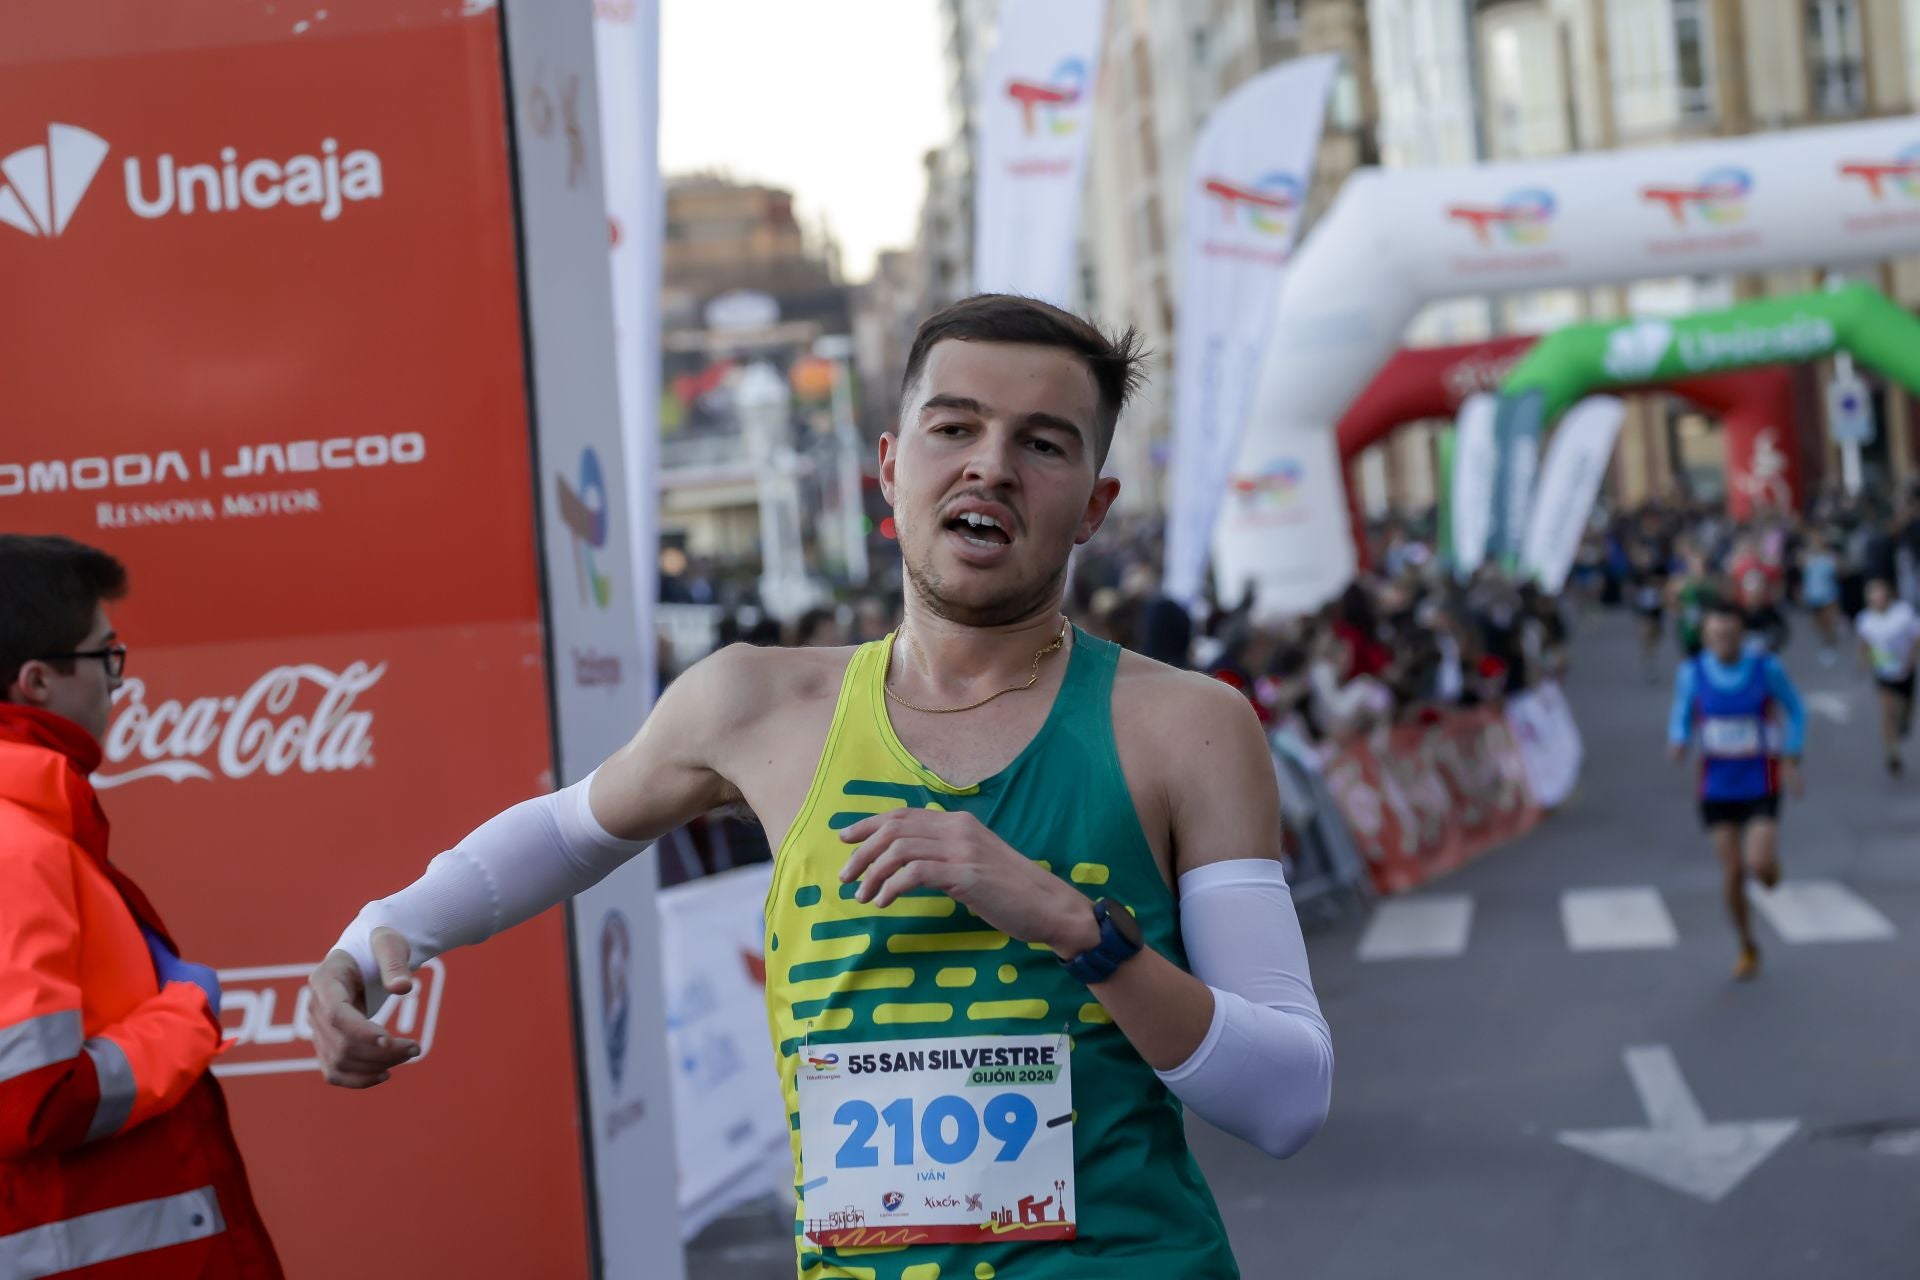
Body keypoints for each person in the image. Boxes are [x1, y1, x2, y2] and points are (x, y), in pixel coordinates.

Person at [308, 295, 1333, 1279]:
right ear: (890, 467)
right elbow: (574, 827)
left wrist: (1077, 926)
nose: (990, 464)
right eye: (954, 427)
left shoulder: (1185, 725)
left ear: (1095, 507)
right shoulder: (755, 705)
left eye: (1044, 442)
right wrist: (377, 933)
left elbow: (1286, 1095)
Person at [0, 535, 282, 1278]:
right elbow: (32, 1101)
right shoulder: (15, 847)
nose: (117, 683)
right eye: (105, 657)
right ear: (36, 683)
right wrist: (184, 1015)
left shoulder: (33, 827)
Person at [1667, 597, 1807, 980]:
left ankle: (1769, 868)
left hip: (1760, 780)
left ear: (1742, 634)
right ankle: (1746, 943)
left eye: (1730, 635)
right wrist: (1678, 739)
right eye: (1715, 635)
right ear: (1706, 637)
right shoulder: (1693, 672)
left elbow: (1796, 709)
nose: (1723, 642)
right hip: (1716, 786)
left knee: (1758, 864)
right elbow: (1681, 712)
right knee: (1732, 872)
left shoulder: (1766, 668)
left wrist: (1792, 754)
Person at [1854, 577, 1920, 776]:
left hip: (1905, 670)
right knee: (1887, 712)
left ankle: (1904, 723)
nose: (1876, 598)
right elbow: (1864, 643)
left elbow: (1917, 638)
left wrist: (1912, 658)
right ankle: (1892, 753)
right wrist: (1863, 662)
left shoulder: (1904, 613)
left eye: (1879, 593)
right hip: (1883, 671)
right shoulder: (1865, 619)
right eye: (1872, 594)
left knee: (1906, 711)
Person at [1799, 530, 1843, 667]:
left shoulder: (1829, 558)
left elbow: (1838, 573)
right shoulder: (1808, 558)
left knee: (1826, 622)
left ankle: (1829, 644)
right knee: (1817, 623)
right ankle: (1826, 641)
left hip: (1827, 595)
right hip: (1812, 596)